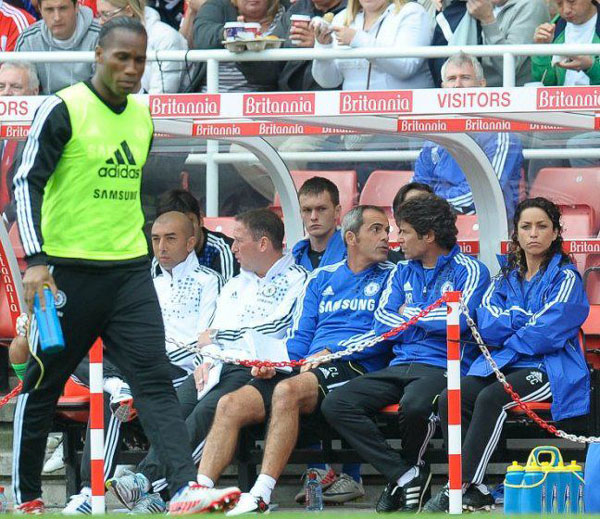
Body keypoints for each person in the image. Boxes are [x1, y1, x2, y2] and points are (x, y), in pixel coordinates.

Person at [11, 17, 209, 514]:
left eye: (139, 60)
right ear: (98, 55)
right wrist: (36, 260)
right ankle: (27, 495)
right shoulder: (64, 108)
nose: (130, 68)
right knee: (42, 383)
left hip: (128, 273)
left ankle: (186, 487)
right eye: (121, 57)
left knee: (155, 380)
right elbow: (23, 182)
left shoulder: (141, 118)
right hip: (66, 274)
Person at [188, 205, 394, 516]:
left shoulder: (394, 274)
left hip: (356, 364)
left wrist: (332, 351)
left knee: (287, 391)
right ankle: (200, 492)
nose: (386, 238)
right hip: (308, 366)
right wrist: (275, 363)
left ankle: (260, 494)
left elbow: (384, 332)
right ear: (351, 237)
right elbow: (298, 341)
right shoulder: (320, 278)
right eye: (376, 230)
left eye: (387, 231)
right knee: (230, 404)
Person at [106, 209, 308, 513]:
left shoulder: (298, 280)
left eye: (238, 241)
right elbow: (209, 336)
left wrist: (219, 340)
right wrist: (206, 360)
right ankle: (147, 485)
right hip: (217, 365)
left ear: (264, 244)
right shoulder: (236, 284)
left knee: (204, 413)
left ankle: (151, 486)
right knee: (173, 412)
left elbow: (275, 329)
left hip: (256, 370)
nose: (232, 248)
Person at [321, 195, 490, 514]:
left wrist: (410, 313)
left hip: (443, 365)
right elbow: (382, 320)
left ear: (428, 236)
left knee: (414, 407)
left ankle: (411, 470)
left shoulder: (471, 270)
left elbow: (457, 320)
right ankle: (405, 474)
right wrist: (427, 316)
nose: (396, 240)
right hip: (398, 364)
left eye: (405, 232)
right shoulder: (400, 272)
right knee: (337, 403)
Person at [424, 197, 591, 512]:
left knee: (491, 398)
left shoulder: (566, 277)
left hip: (549, 368)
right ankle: (480, 488)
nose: (533, 233)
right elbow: (486, 322)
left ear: (556, 232)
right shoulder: (505, 277)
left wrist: (511, 331)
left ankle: (457, 487)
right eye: (526, 227)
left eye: (542, 226)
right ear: (516, 233)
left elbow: (548, 331)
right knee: (452, 397)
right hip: (505, 363)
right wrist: (522, 320)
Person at [61, 211, 223, 515]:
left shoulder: (209, 282)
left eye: (170, 238)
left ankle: (91, 490)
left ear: (190, 242)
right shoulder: (146, 281)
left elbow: (205, 342)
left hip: (179, 369)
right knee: (79, 351)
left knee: (112, 395)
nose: (161, 246)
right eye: (156, 239)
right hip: (136, 364)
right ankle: (118, 388)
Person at [413, 53, 523, 224]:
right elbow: (419, 185)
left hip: (486, 226)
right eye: (451, 79)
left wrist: (430, 205)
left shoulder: (501, 133)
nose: (457, 86)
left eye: (465, 78)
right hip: (436, 221)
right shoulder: (434, 135)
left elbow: (485, 194)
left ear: (482, 84)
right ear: (443, 87)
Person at [311, 0, 433, 90]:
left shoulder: (412, 12)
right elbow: (328, 81)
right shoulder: (342, 19)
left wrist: (357, 39)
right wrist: (323, 46)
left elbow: (406, 66)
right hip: (354, 114)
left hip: (403, 114)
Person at [429, 0, 549, 87]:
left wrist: (488, 19)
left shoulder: (532, 5)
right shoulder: (470, 5)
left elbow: (509, 67)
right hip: (470, 96)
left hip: (510, 101)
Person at [190, 0, 285, 92]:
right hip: (215, 96)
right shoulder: (217, 6)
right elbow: (201, 37)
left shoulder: (286, 12)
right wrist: (230, 33)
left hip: (267, 101)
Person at [96, 0, 188, 93]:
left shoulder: (166, 39)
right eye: (98, 15)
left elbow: (159, 100)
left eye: (106, 14)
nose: (100, 22)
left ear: (129, 11)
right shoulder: (106, 40)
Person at [15, 0, 101, 93]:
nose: (57, 17)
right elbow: (17, 87)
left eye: (63, 8)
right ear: (40, 10)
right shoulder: (28, 40)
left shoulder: (100, 36)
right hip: (44, 106)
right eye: (49, 9)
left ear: (76, 7)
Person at [156, 189, 239, 282]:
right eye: (172, 228)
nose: (185, 231)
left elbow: (226, 295)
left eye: (189, 222)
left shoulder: (221, 250)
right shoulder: (161, 253)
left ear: (201, 219)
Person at [0, 62, 39, 222]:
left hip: (20, 225)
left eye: (15, 87)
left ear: (34, 92)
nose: (6, 93)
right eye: (1, 86)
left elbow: (34, 187)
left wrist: (5, 218)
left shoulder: (44, 133)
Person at [532, 0, 600, 85]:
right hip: (562, 97)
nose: (566, 10)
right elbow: (545, 83)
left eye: (572, 1)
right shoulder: (554, 30)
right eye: (559, 4)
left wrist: (591, 67)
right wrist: (541, 50)